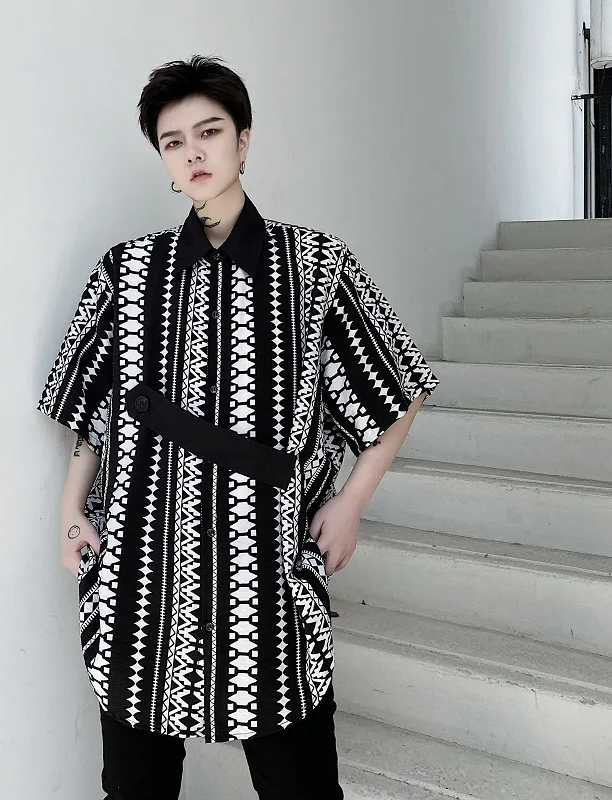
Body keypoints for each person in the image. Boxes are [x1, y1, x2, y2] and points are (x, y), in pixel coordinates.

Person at [36, 54, 439, 800]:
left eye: (209, 132)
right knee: (134, 792)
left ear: (243, 140)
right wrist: (70, 512)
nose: (192, 152)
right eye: (173, 141)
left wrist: (351, 503)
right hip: (142, 579)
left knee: (302, 790)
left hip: (268, 578)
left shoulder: (316, 266)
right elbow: (92, 408)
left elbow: (397, 388)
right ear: (162, 160)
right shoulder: (127, 272)